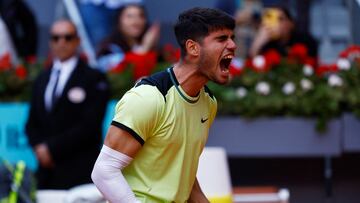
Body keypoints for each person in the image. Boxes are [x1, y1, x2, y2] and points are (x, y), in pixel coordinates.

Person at [91, 7, 236, 203]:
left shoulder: (208, 103)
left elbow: (181, 172)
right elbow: (104, 171)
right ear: (193, 48)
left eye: (231, 37)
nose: (233, 45)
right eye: (221, 39)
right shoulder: (148, 98)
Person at [25, 19, 109, 189]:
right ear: (50, 42)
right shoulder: (42, 78)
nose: (61, 42)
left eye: (67, 37)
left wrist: (51, 149)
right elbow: (31, 123)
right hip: (47, 173)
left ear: (78, 41)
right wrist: (40, 150)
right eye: (56, 38)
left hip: (81, 173)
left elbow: (90, 125)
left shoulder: (93, 78)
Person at [96, 3, 160, 72]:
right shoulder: (110, 49)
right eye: (129, 16)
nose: (136, 21)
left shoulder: (152, 47)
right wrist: (145, 48)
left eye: (141, 16)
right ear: (119, 21)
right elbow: (123, 76)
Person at [249, 6, 318, 58]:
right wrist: (258, 42)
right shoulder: (267, 43)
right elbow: (253, 65)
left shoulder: (305, 40)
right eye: (272, 19)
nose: (276, 24)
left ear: (291, 23)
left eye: (280, 19)